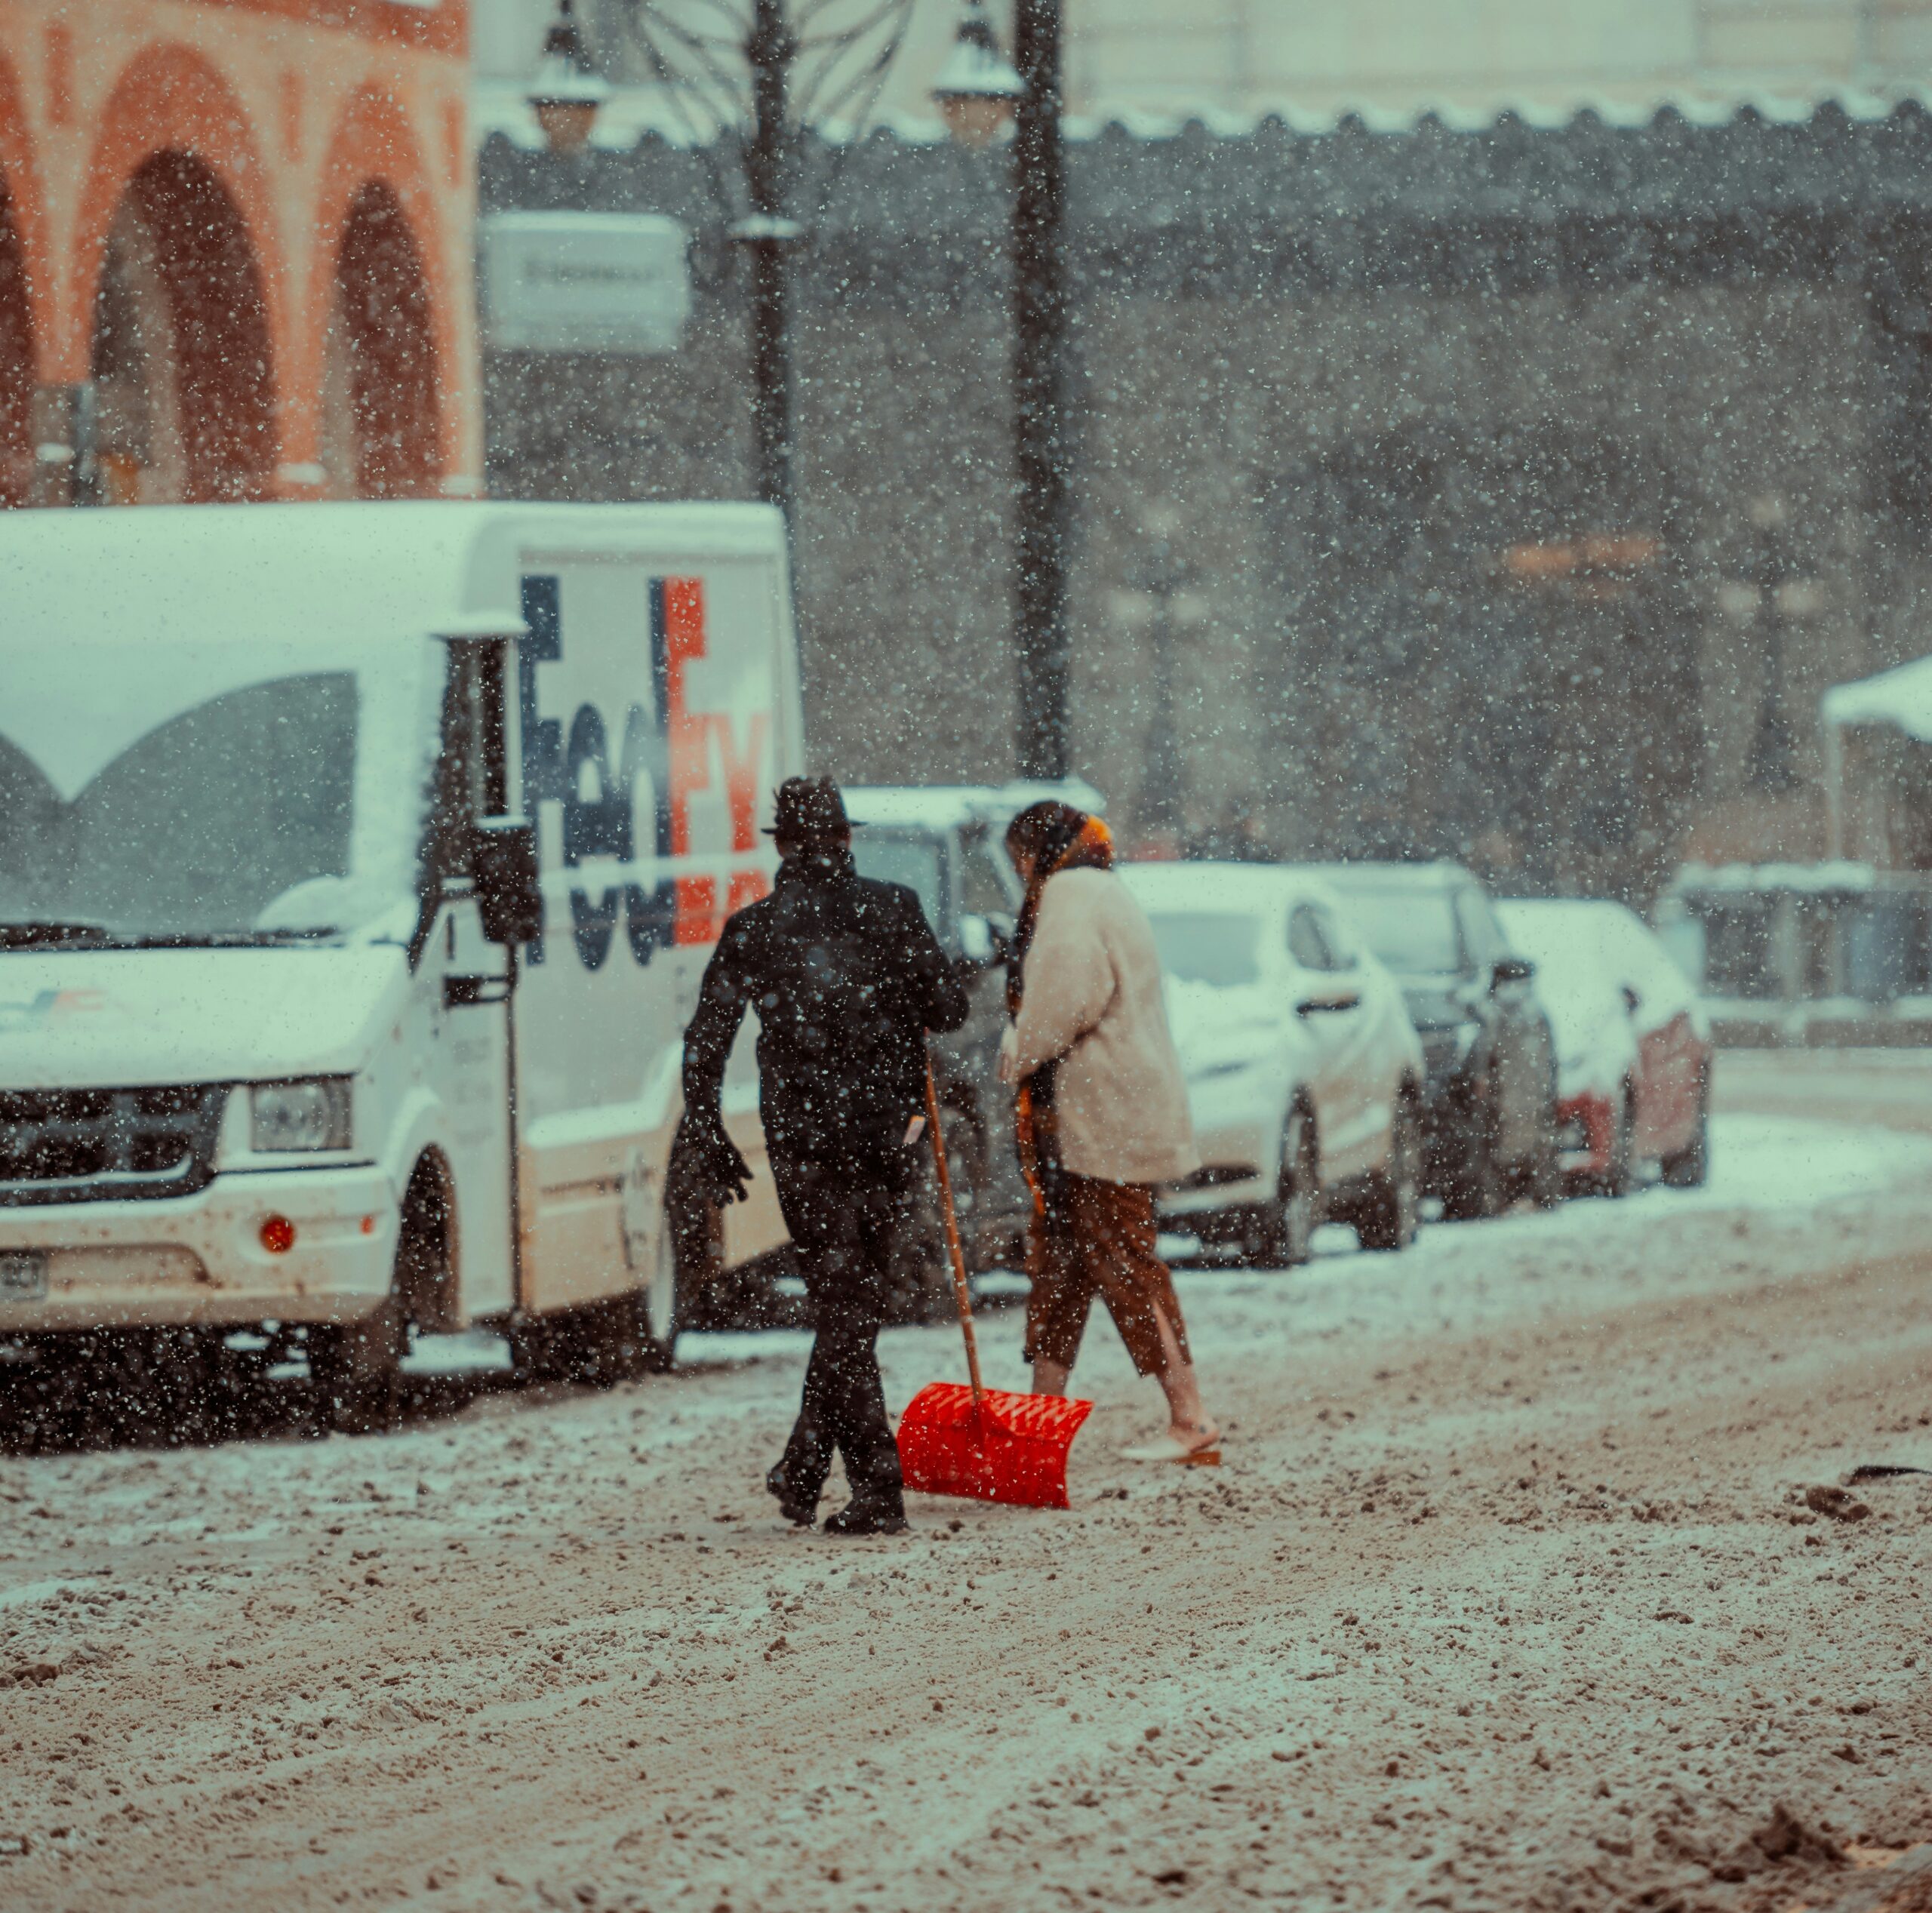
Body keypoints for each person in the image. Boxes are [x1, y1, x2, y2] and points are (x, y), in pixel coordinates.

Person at [681, 776, 970, 1535]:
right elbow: (949, 1009)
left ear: (780, 844)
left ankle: (848, 1479)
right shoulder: (895, 908)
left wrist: (707, 1130)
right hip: (887, 1136)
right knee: (854, 1307)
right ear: (847, 838)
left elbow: (705, 1040)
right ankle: (834, 1474)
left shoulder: (756, 929)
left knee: (844, 1306)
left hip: (804, 1143)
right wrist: (906, 984)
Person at [998, 801, 1221, 1464]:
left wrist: (1018, 1049)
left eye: (1020, 855)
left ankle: (1191, 1417)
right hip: (1102, 1118)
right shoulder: (1105, 889)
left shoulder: (1070, 896)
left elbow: (1065, 998)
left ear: (1040, 851)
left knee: (1127, 1263)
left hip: (1101, 1121)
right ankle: (1041, 1425)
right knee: (1064, 1268)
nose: (1019, 870)